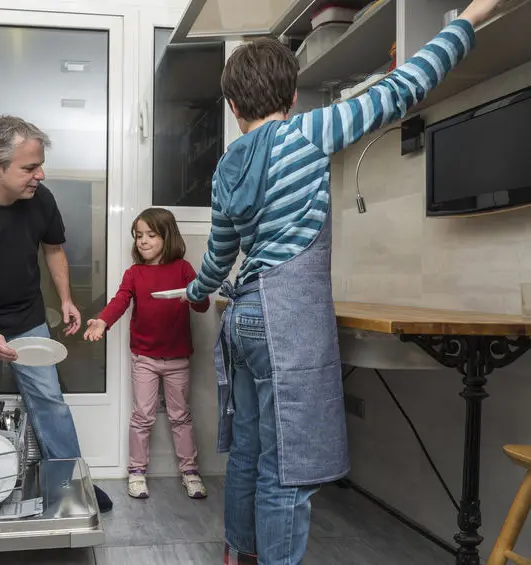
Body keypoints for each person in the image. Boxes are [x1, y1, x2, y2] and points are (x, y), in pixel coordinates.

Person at [182, 1, 502, 563]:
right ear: (289, 95)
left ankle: (238, 553)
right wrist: (468, 18)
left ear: (233, 108)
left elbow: (220, 255)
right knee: (289, 466)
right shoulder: (308, 131)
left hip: (245, 320)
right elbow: (404, 86)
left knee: (249, 452)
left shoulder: (226, 166)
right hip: (286, 324)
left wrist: (196, 290)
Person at [0, 114, 112, 513]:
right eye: (30, 167)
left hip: (27, 316)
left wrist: (65, 298)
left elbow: (53, 248)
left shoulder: (40, 201)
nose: (41, 175)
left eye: (40, 164)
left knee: (49, 398)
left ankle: (70, 483)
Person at [84, 208, 211, 500]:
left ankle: (190, 472)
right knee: (142, 416)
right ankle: (137, 472)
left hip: (178, 359)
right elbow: (119, 300)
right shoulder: (135, 273)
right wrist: (103, 320)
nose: (143, 241)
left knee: (181, 416)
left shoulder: (183, 268)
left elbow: (201, 306)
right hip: (145, 359)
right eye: (138, 235)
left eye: (151, 235)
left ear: (167, 237)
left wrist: (196, 294)